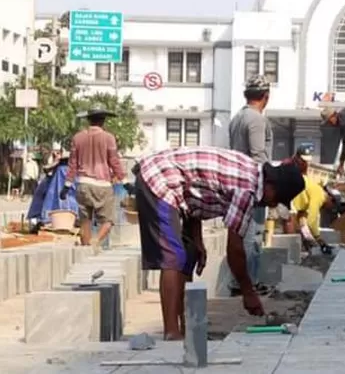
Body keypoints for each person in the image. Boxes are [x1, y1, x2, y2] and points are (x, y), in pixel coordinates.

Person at [131, 146, 305, 340]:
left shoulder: (251, 173)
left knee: (189, 255)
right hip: (159, 178)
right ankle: (172, 332)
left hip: (176, 185)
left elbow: (194, 193)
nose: (272, 204)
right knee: (174, 257)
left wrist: (198, 241)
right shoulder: (246, 189)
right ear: (271, 185)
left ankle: (188, 330)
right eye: (277, 199)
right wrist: (248, 292)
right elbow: (234, 249)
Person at [61, 106, 130, 250]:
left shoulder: (78, 137)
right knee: (108, 220)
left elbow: (72, 164)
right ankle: (96, 240)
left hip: (83, 184)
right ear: (103, 121)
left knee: (85, 219)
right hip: (103, 185)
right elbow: (114, 162)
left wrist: (67, 185)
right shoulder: (108, 138)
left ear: (88, 120)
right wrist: (125, 182)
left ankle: (86, 248)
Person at [229, 75, 274, 244]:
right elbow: (258, 156)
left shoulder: (237, 118)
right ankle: (250, 271)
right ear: (266, 96)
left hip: (238, 185)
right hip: (253, 189)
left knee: (241, 238)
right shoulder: (256, 119)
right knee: (253, 240)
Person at [291, 178, 339, 255]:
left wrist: (307, 237)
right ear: (330, 199)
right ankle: (292, 255)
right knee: (290, 223)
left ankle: (295, 251)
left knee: (298, 224)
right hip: (290, 190)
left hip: (293, 187)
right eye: (331, 207)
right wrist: (320, 241)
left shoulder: (316, 192)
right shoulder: (320, 197)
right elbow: (311, 221)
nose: (328, 209)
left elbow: (302, 217)